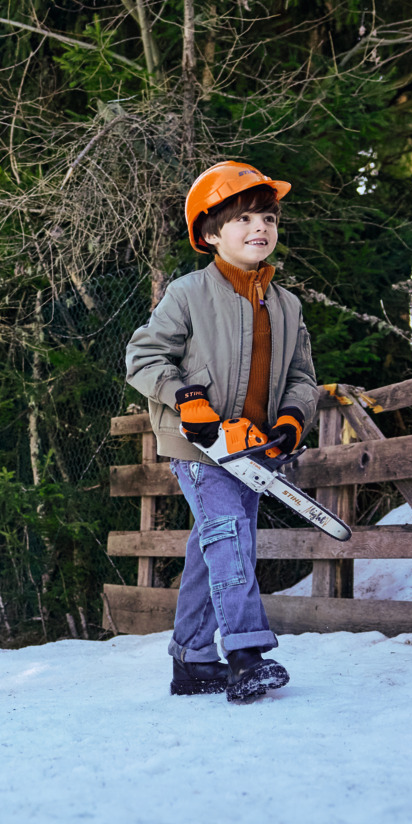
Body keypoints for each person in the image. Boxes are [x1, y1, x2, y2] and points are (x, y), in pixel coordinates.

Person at [125, 162, 318, 705]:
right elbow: (142, 357)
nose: (260, 228)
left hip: (253, 450)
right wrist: (187, 399)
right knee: (230, 538)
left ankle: (190, 660)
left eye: (269, 218)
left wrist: (292, 419)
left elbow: (303, 376)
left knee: (213, 546)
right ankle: (246, 655)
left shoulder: (286, 304)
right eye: (245, 219)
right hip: (200, 447)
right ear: (210, 234)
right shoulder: (189, 293)